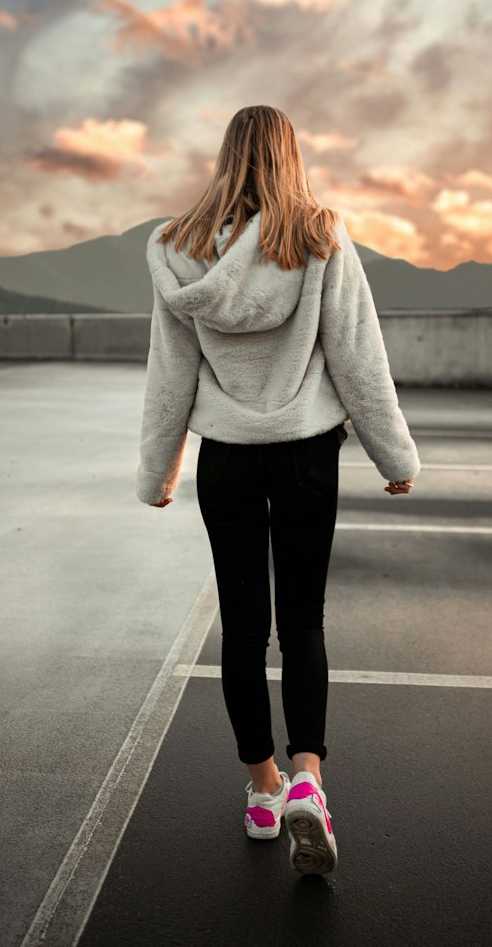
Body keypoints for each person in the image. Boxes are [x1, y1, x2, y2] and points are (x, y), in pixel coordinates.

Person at [135, 104, 420, 875]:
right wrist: (394, 454)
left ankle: (261, 790)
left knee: (241, 625)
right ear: (290, 155)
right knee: (302, 620)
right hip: (305, 455)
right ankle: (309, 784)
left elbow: (171, 374)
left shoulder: (177, 248)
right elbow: (357, 354)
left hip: (226, 457)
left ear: (226, 155)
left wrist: (159, 470)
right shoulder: (319, 235)